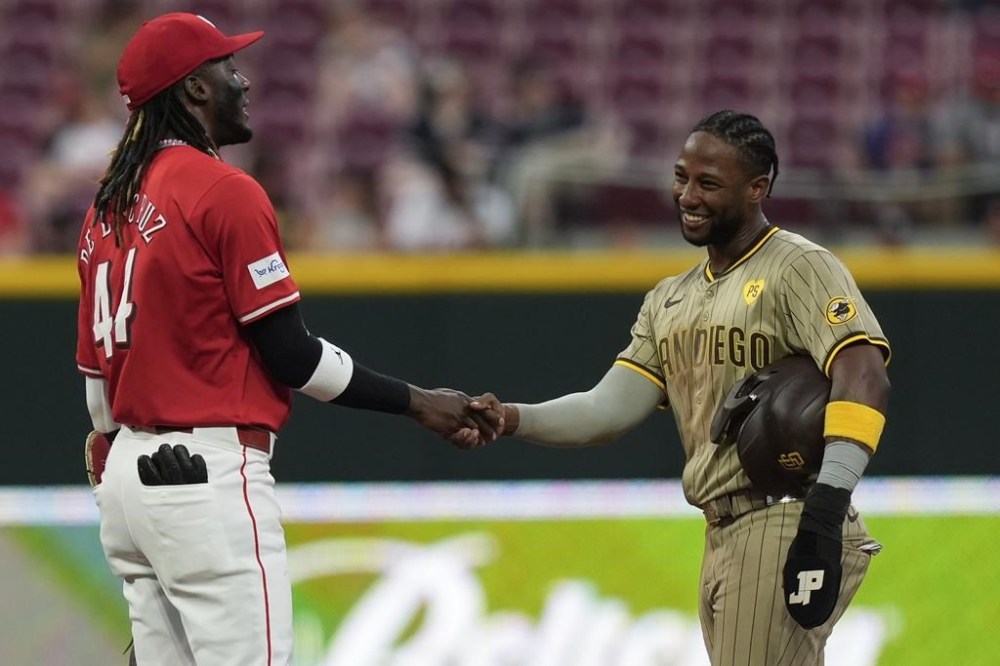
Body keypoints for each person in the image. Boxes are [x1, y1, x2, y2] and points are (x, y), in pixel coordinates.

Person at [74, 13, 500, 666]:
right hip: (206, 472)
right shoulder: (222, 191)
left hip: (129, 476)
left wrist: (121, 482)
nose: (242, 82)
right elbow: (290, 354)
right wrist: (418, 401)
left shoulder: (106, 209)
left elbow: (98, 392)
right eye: (227, 68)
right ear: (193, 89)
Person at [473, 110, 891, 665]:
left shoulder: (799, 266)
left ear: (757, 188)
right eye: (681, 177)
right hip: (723, 532)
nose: (687, 195)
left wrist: (826, 508)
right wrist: (509, 417)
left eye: (708, 183)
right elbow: (606, 410)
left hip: (786, 515)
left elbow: (864, 374)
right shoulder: (669, 299)